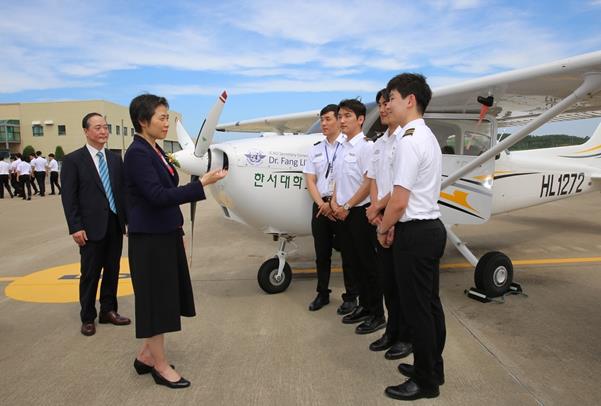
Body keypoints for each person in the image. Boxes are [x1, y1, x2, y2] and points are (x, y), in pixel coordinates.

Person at [124, 94, 226, 389]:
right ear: (143, 121)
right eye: (162, 118)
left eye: (167, 117)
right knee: (156, 303)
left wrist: (176, 233)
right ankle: (160, 365)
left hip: (164, 236)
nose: (167, 123)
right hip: (150, 242)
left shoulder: (154, 151)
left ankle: (146, 355)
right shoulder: (138, 154)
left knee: (164, 299)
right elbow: (157, 197)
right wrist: (201, 184)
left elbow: (165, 193)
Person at [378, 73, 447, 401]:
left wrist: (382, 228)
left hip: (415, 232)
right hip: (431, 228)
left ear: (410, 100)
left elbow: (399, 200)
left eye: (391, 97)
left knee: (418, 309)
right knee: (430, 305)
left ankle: (425, 381)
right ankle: (433, 366)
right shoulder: (427, 136)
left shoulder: (408, 140)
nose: (388, 104)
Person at [60, 112, 130, 337]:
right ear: (86, 131)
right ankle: (88, 316)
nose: (103, 131)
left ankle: (108, 310)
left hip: (114, 223)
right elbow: (69, 198)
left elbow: (120, 192)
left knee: (112, 269)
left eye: (105, 127)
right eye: (98, 127)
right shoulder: (73, 160)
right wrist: (75, 227)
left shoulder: (114, 159)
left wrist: (126, 220)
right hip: (89, 228)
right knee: (90, 273)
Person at [365, 89, 412, 360]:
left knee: (402, 285)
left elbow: (399, 188)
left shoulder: (404, 142)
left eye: (387, 103)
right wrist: (374, 212)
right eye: (380, 105)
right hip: (381, 218)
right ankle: (392, 331)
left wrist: (382, 212)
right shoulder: (380, 143)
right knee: (388, 283)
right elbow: (373, 179)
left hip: (396, 217)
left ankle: (406, 337)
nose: (383, 109)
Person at [331, 99, 384, 334]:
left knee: (368, 265)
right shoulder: (342, 147)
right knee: (352, 264)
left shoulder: (366, 147)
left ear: (361, 119)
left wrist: (348, 205)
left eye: (347, 116)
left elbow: (368, 181)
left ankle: (377, 314)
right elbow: (338, 179)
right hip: (342, 212)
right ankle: (363, 306)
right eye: (340, 116)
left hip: (359, 213)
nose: (342, 120)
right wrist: (334, 201)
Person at [303, 104, 357, 313]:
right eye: (321, 119)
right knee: (321, 254)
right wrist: (321, 205)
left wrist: (335, 205)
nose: (323, 123)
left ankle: (351, 296)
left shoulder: (348, 147)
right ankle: (322, 293)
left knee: (349, 254)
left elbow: (350, 179)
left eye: (327, 119)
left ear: (338, 120)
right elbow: (310, 179)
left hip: (342, 207)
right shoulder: (316, 148)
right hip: (320, 208)